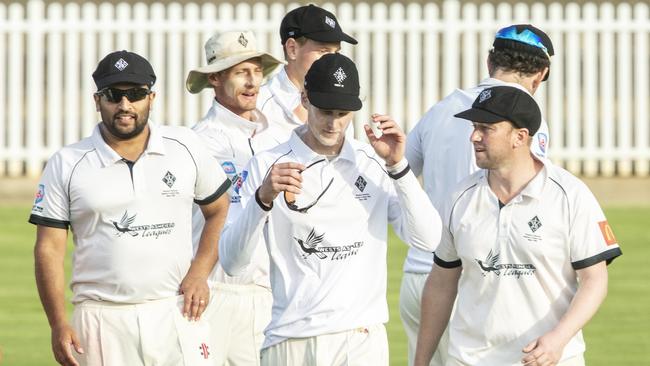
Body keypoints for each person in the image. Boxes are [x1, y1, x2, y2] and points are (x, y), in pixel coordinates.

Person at [219, 53, 442, 365]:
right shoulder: (267, 164)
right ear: (305, 99)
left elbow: (429, 240)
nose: (334, 123)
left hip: (361, 338)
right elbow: (232, 261)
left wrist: (398, 166)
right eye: (325, 110)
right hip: (291, 339)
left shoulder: (373, 162)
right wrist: (262, 198)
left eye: (343, 113)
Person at [30, 50, 231, 366]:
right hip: (101, 317)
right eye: (114, 95)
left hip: (175, 310)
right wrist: (58, 323)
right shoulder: (67, 162)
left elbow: (219, 209)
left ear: (151, 98)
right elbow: (49, 250)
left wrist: (200, 271)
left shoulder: (185, 145)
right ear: (98, 100)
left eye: (135, 94)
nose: (125, 105)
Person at [414, 86, 622, 366]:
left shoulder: (570, 195)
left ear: (520, 137)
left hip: (548, 359)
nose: (474, 136)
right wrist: (421, 361)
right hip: (469, 359)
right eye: (474, 127)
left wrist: (558, 339)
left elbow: (595, 280)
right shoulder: (459, 198)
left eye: (486, 128)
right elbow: (441, 283)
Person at [401, 24, 555, 366]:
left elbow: (399, 179)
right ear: (541, 74)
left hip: (417, 277)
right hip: (474, 281)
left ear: (489, 62)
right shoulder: (525, 120)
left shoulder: (440, 109)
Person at [185, 30, 284, 365]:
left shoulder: (279, 137)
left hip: (270, 292)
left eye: (257, 71)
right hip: (215, 290)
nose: (252, 81)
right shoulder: (199, 142)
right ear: (214, 78)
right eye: (241, 72)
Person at [258, 4, 357, 138]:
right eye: (324, 51)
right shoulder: (258, 106)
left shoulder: (340, 103)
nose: (332, 60)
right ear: (292, 49)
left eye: (336, 52)